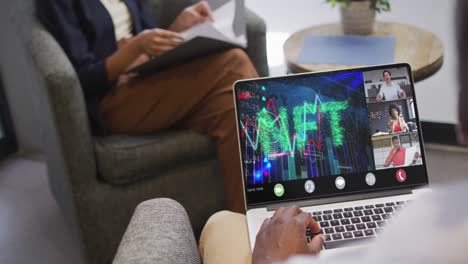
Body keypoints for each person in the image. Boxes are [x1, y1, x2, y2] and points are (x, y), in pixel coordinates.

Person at [198, 2, 468, 263]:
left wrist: (271, 259)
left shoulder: (420, 234)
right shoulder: (427, 222)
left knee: (222, 222)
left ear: (461, 119)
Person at [37, 0, 259, 213]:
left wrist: (177, 28)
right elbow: (82, 80)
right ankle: (276, 206)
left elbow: (147, 39)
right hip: (113, 98)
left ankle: (253, 230)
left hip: (147, 75)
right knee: (235, 64)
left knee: (232, 107)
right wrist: (134, 48)